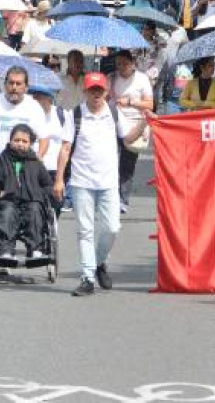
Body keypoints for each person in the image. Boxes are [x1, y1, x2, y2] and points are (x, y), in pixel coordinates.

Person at [55, 72, 150, 297]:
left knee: (112, 228)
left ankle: (98, 263)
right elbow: (66, 148)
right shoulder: (75, 114)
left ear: (107, 92)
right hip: (82, 181)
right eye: (92, 90)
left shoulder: (114, 113)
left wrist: (145, 121)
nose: (96, 94)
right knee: (85, 231)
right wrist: (59, 179)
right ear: (86, 91)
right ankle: (87, 277)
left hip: (108, 181)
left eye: (100, 90)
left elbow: (127, 139)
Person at [0, 123, 52, 262]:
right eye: (16, 140)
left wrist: (37, 195)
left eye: (24, 141)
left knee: (35, 209)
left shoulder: (37, 164)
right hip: (6, 203)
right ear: (10, 141)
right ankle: (5, 251)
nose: (20, 144)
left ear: (30, 144)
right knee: (8, 211)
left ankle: (35, 249)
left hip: (29, 203)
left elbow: (48, 185)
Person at [109, 50, 155, 213]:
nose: (121, 67)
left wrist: (130, 102)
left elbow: (150, 105)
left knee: (127, 164)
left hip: (135, 124)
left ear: (132, 63)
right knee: (111, 162)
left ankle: (123, 199)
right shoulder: (112, 78)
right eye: (118, 64)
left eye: (125, 63)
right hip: (114, 122)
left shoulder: (142, 79)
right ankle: (111, 197)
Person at [0, 66, 49, 161]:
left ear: (26, 87)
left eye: (18, 84)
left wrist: (38, 159)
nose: (14, 87)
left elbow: (44, 138)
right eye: (11, 83)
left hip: (23, 169)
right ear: (5, 84)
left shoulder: (34, 107)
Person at [28, 85, 70, 214]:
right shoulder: (28, 115)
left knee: (56, 204)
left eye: (39, 97)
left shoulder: (62, 115)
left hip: (55, 168)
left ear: (49, 99)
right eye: (33, 96)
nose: (35, 100)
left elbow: (68, 143)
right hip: (33, 168)